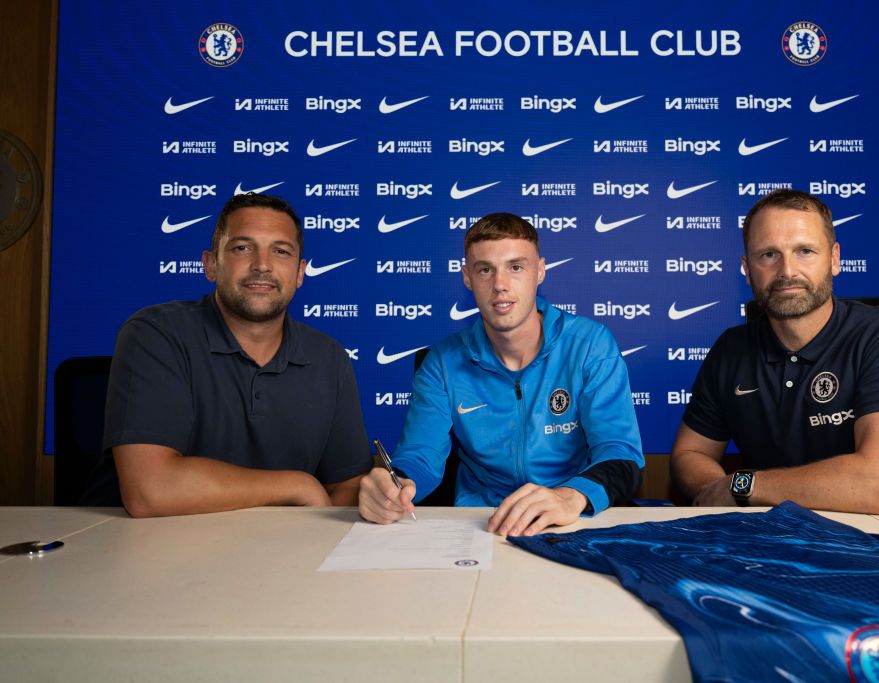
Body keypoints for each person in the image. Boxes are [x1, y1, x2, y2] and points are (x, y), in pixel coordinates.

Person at [670, 189, 879, 514]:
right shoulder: (731, 349)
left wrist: (743, 487)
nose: (787, 271)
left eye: (805, 251)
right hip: (780, 543)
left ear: (834, 259)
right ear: (747, 267)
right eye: (768, 255)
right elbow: (689, 455)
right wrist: (718, 492)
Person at [358, 213, 645, 536]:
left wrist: (571, 496)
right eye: (485, 270)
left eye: (516, 267)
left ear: (540, 271)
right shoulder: (442, 362)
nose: (500, 285)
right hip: (480, 524)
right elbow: (420, 457)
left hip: (572, 518)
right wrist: (395, 486)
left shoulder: (590, 345)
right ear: (467, 278)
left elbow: (621, 454)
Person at [102, 193, 371, 517]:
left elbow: (349, 485)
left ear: (299, 274)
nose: (262, 265)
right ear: (211, 264)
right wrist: (298, 487)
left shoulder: (329, 357)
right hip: (160, 554)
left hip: (285, 556)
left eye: (281, 251)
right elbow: (150, 490)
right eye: (242, 248)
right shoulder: (156, 333)